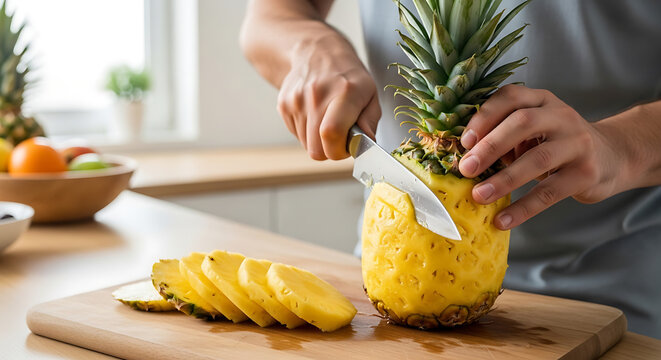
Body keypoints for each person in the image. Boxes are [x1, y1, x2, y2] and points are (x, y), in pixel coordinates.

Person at [240, 0, 661, 338]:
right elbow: (271, 14)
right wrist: (306, 46)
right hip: (382, 310)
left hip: (614, 309)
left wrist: (622, 146)